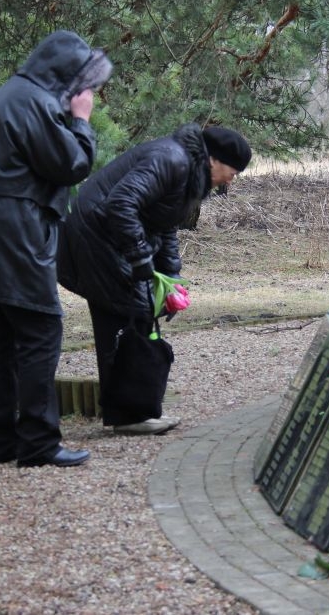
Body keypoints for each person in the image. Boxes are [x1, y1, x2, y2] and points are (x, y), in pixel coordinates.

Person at [0, 30, 109, 467]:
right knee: (39, 330)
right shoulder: (33, 102)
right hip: (12, 228)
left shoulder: (4, 97)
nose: (87, 90)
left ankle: (3, 442)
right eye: (83, 81)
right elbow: (71, 165)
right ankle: (37, 443)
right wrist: (82, 121)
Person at [57, 124, 252, 434]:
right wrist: (140, 257)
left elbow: (165, 225)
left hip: (109, 238)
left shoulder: (189, 173)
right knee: (129, 312)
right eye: (233, 169)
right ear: (214, 159)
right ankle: (131, 413)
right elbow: (121, 203)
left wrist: (172, 278)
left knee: (134, 311)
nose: (233, 177)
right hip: (96, 236)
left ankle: (132, 410)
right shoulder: (171, 160)